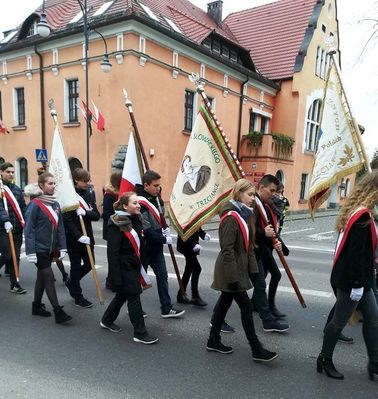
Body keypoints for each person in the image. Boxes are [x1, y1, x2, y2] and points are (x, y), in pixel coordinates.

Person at [206, 178, 278, 362]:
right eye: (249, 194)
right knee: (246, 308)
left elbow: (248, 246)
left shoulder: (243, 214)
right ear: (238, 194)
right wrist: (233, 277)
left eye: (254, 194)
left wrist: (253, 272)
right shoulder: (231, 217)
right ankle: (256, 348)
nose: (252, 198)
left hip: (237, 269)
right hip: (231, 271)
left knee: (224, 304)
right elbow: (227, 249)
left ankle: (213, 340)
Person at [317, 171, 378, 381]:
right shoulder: (362, 215)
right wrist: (357, 285)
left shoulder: (361, 211)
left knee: (373, 318)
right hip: (352, 280)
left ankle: (375, 363)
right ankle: (324, 359)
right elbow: (355, 254)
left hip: (362, 278)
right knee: (338, 322)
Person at [100, 192, 158, 344]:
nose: (138, 205)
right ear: (125, 206)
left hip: (133, 264)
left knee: (123, 295)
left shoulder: (135, 219)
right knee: (134, 295)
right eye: (134, 203)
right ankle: (140, 333)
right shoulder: (116, 223)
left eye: (138, 203)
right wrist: (115, 277)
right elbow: (112, 253)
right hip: (123, 266)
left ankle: (106, 320)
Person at [135, 170, 184, 318]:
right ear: (146, 185)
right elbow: (146, 229)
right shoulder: (140, 203)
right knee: (138, 280)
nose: (158, 188)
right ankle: (134, 306)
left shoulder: (157, 199)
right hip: (144, 248)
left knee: (162, 277)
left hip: (156, 248)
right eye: (155, 185)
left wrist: (166, 228)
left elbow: (162, 216)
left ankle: (166, 308)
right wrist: (163, 239)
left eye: (159, 185)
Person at [24, 172, 72, 324]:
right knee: (49, 277)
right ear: (41, 186)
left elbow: (60, 228)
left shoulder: (55, 204)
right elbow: (29, 229)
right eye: (50, 183)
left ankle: (36, 306)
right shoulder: (34, 204)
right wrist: (30, 251)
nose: (53, 186)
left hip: (50, 249)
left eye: (54, 183)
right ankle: (58, 311)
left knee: (41, 277)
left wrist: (62, 246)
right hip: (39, 249)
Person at [64, 168, 100, 308]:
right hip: (74, 238)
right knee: (75, 266)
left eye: (88, 180)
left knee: (90, 264)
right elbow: (67, 220)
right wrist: (78, 237)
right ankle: (78, 296)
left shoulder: (89, 194)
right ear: (76, 181)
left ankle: (71, 283)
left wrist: (85, 213)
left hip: (88, 235)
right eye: (84, 181)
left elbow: (96, 215)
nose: (87, 183)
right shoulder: (69, 196)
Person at [253, 174, 288, 320]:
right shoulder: (254, 205)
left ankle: (266, 306)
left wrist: (280, 244)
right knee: (234, 289)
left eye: (277, 192)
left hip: (265, 248)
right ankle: (266, 313)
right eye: (272, 191)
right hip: (256, 249)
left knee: (273, 275)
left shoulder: (266, 206)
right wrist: (265, 234)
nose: (274, 195)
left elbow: (272, 229)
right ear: (261, 187)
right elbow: (250, 231)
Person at [0, 162, 27, 294]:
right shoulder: (0, 188)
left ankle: (15, 284)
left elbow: (22, 207)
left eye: (12, 172)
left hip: (16, 229)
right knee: (6, 255)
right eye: (8, 172)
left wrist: (27, 220)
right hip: (3, 229)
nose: (10, 174)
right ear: (1, 172)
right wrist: (5, 220)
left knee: (15, 256)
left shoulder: (16, 189)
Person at [176, 227, 210, 306]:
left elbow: (197, 227)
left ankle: (181, 295)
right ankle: (195, 296)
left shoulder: (191, 215)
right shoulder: (184, 217)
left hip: (192, 246)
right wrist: (193, 244)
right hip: (186, 246)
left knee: (188, 270)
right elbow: (182, 235)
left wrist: (204, 235)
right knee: (197, 269)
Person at [102, 170, 122, 290]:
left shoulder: (120, 193)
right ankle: (111, 282)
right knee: (113, 257)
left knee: (118, 257)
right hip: (111, 230)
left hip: (120, 228)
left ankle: (112, 279)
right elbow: (106, 214)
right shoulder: (109, 195)